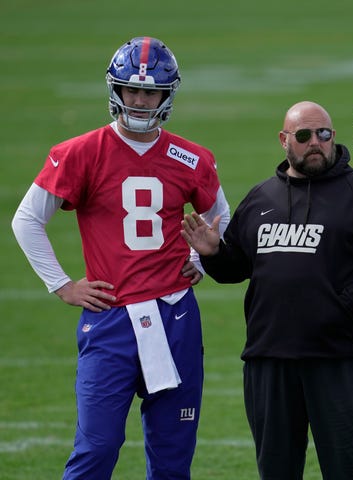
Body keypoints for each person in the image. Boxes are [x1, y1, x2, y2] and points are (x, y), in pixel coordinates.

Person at [11, 36, 230, 480]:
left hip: (175, 317)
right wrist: (62, 284)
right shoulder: (78, 152)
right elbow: (26, 220)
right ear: (116, 90)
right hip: (110, 317)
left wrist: (200, 258)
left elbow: (221, 215)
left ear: (166, 95)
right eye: (132, 89)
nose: (141, 99)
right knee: (96, 450)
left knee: (173, 457)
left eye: (150, 91)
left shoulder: (190, 156)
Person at [180, 100, 353, 480]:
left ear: (333, 137)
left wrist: (344, 306)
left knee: (351, 469)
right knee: (276, 471)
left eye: (323, 134)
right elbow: (238, 268)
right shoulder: (262, 198)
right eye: (305, 135)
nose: (316, 143)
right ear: (284, 139)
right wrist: (212, 254)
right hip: (268, 361)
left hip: (338, 358)